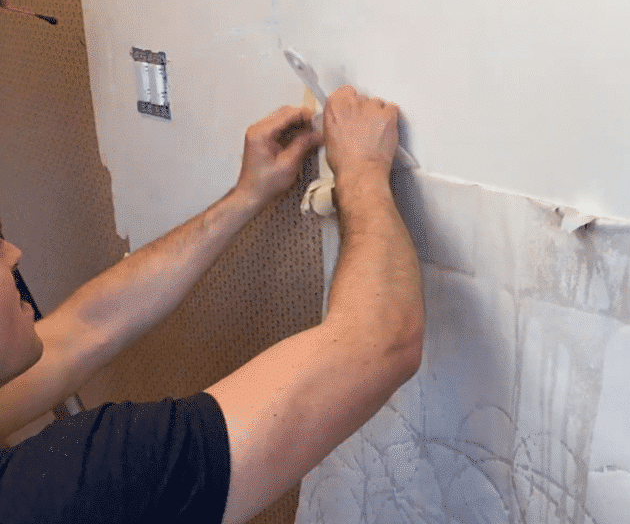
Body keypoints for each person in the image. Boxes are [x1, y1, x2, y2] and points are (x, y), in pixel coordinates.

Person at [0, 85, 425, 523]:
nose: (14, 254)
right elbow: (381, 344)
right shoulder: (70, 485)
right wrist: (362, 171)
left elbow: (85, 330)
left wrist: (247, 195)